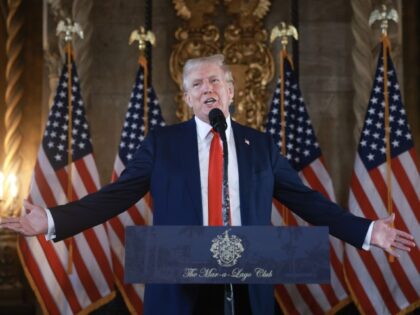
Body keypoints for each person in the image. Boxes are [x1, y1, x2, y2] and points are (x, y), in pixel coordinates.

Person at [0, 54, 415, 315]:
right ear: (187, 99)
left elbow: (307, 201)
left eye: (214, 81)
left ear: (231, 91)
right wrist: (53, 220)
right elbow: (116, 196)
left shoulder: (261, 146)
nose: (207, 89)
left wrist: (367, 230)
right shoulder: (162, 144)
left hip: (247, 287)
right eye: (197, 84)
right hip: (179, 289)